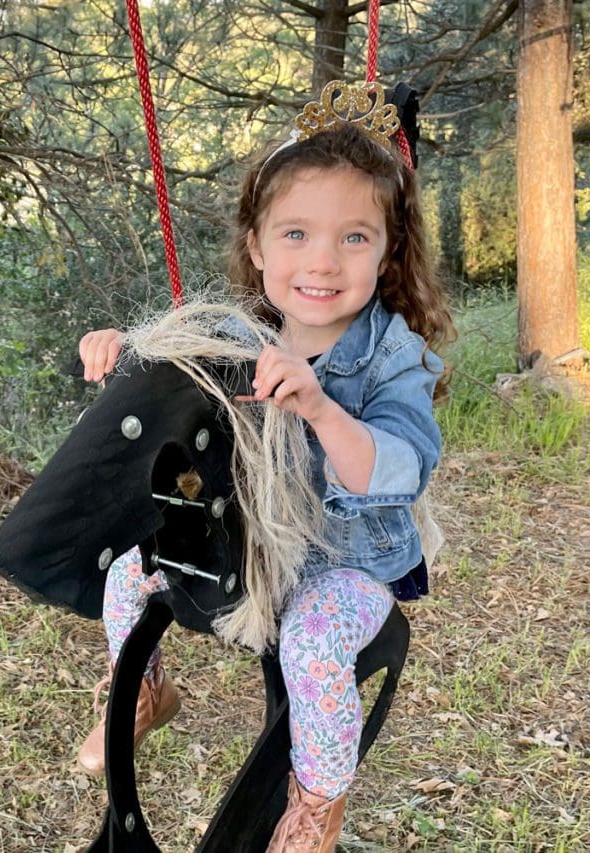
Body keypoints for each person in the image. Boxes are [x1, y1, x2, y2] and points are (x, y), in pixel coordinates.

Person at [74, 86, 455, 853]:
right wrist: (118, 350)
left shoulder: (394, 359)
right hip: (249, 549)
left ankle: (316, 804)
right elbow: (166, 364)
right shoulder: (235, 332)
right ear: (256, 245)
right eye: (296, 233)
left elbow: (403, 468)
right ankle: (146, 689)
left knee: (313, 641)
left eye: (354, 237)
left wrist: (320, 407)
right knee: (127, 574)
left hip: (348, 567)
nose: (322, 260)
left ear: (387, 252)